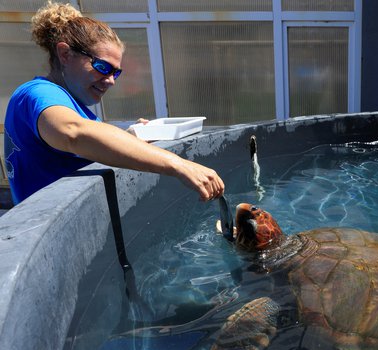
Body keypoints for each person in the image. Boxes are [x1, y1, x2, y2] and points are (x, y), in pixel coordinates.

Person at [3, 1, 224, 205]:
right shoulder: (37, 94)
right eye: (102, 67)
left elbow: (69, 154)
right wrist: (178, 164)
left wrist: (131, 138)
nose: (110, 80)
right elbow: (73, 133)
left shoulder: (72, 106)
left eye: (116, 73)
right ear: (65, 54)